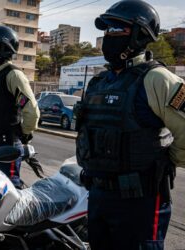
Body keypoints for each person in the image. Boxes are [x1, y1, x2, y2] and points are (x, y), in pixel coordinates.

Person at [75, 1, 185, 249]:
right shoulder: (99, 82)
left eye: (116, 30)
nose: (108, 37)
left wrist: (163, 164)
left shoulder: (158, 79)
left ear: (139, 35)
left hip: (140, 200)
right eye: (107, 31)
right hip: (99, 196)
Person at [0, 26, 40, 187]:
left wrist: (22, 134)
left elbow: (32, 111)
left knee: (9, 191)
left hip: (6, 147)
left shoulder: (13, 75)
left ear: (4, 48)